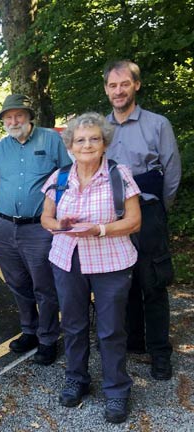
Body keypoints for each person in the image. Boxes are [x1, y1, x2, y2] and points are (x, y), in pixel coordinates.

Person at [41, 112, 142, 423]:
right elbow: (46, 219)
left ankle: (116, 391)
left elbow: (134, 221)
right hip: (68, 258)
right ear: (70, 144)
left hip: (110, 259)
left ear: (104, 143)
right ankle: (77, 379)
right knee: (72, 324)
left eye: (94, 138)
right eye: (80, 140)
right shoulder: (59, 177)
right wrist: (61, 224)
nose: (87, 145)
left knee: (111, 329)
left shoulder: (118, 174)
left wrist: (98, 229)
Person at [104, 60, 181, 380]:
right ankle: (134, 341)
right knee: (124, 282)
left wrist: (159, 210)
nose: (118, 90)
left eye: (124, 84)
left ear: (136, 85)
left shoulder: (157, 123)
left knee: (153, 283)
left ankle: (160, 351)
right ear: (106, 89)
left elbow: (172, 170)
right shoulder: (100, 128)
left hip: (148, 212)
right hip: (112, 215)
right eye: (112, 85)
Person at [0, 94, 70, 365]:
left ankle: (48, 338)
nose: (13, 120)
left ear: (29, 115)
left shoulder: (51, 139)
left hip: (39, 228)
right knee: (17, 283)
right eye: (8, 117)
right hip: (5, 226)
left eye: (18, 115)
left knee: (44, 286)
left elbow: (67, 177)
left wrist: (57, 217)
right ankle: (29, 331)